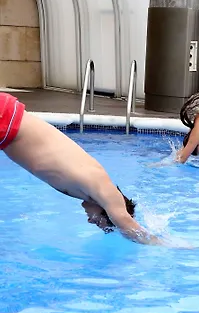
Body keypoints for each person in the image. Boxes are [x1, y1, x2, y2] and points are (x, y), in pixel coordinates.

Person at [0, 92, 160, 245]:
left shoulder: (87, 190)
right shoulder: (105, 189)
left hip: (7, 126)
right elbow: (128, 225)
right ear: (108, 212)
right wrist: (168, 246)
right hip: (6, 121)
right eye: (98, 222)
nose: (90, 221)